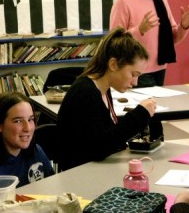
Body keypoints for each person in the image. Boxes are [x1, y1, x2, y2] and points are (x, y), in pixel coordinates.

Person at [110, 0, 189, 140]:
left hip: (159, 67)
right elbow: (114, 42)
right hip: (136, 71)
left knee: (155, 114)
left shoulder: (160, 0)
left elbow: (174, 38)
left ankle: (155, 145)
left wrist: (184, 26)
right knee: (143, 118)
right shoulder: (123, 1)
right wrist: (140, 30)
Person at [57, 26, 157, 171]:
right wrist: (139, 115)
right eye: (133, 74)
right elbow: (99, 147)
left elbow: (107, 135)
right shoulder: (85, 93)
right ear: (113, 65)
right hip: (80, 177)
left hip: (94, 171)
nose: (135, 83)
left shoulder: (103, 90)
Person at [0, 92, 54, 206]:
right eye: (17, 121)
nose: (27, 128)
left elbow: (52, 191)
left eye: (30, 119)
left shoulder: (36, 152)